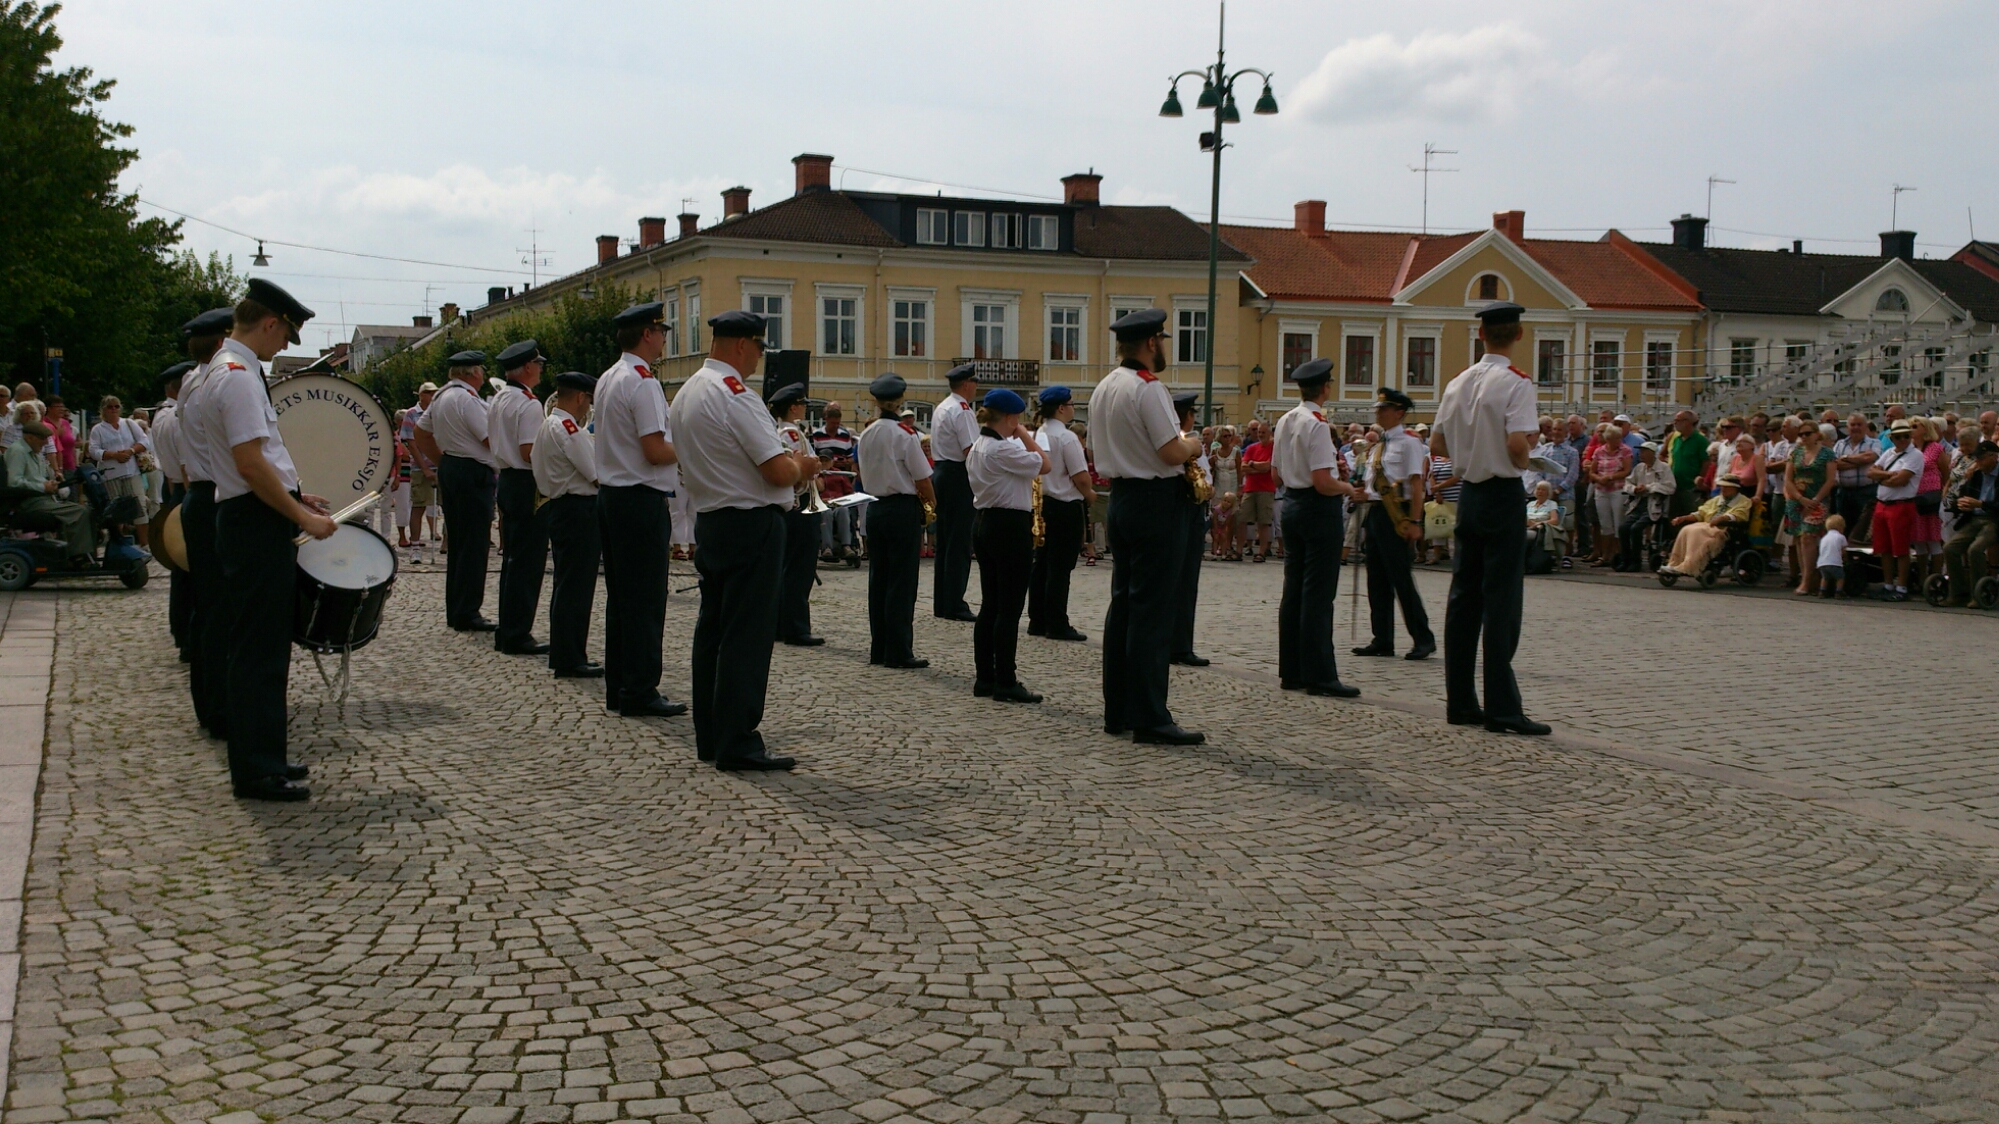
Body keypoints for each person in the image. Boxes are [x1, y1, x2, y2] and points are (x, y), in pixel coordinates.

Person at [178, 278, 335, 802]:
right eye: (286, 336)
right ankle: (256, 769)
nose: (284, 346)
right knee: (259, 651)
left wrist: (296, 493)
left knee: (258, 646)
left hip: (246, 514)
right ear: (270, 323)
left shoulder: (221, 371)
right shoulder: (239, 377)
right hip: (254, 520)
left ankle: (263, 754)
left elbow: (252, 461)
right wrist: (300, 515)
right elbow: (248, 463)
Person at [675, 309, 815, 770]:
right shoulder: (736, 395)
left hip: (713, 519)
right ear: (741, 345)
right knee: (747, 636)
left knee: (713, 632)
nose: (759, 358)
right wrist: (802, 467)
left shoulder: (687, 392)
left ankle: (711, 735)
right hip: (751, 522)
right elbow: (776, 470)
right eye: (758, 348)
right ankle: (738, 740)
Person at [1430, 301, 1546, 736]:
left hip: (1470, 494)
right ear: (1518, 334)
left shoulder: (1457, 382)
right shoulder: (1517, 382)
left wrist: (1471, 449)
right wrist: (1527, 456)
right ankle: (1502, 708)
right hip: (1501, 493)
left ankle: (1460, 702)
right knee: (1502, 601)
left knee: (1464, 599)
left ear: (1481, 334)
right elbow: (1517, 444)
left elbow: (1437, 444)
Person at [1095, 308, 1205, 746]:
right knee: (1153, 612)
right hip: (1155, 501)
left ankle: (1118, 709)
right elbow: (1170, 452)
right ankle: (1151, 716)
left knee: (1124, 606)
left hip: (1122, 497)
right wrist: (1194, 443)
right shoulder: (1148, 387)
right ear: (1152, 343)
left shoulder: (1105, 386)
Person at [593, 302, 688, 718]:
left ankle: (621, 685)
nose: (665, 338)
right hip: (639, 498)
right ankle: (640, 688)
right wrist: (689, 449)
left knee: (622, 599)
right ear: (647, 334)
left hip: (614, 497)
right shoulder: (643, 382)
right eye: (661, 331)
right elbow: (654, 450)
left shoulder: (609, 377)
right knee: (646, 600)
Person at [1272, 358, 1359, 698]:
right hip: (1317, 509)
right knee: (1319, 594)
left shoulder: (1285, 420)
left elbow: (1276, 474)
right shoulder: (1318, 424)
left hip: (1292, 504)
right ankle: (1320, 673)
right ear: (1325, 387)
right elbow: (1323, 483)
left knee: (1294, 590)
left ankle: (1291, 670)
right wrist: (1346, 486)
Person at [173, 307, 234, 738]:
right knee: (220, 612)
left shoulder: (193, 382)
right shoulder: (211, 382)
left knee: (209, 609)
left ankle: (212, 705)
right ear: (222, 341)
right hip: (214, 497)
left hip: (202, 494)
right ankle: (219, 708)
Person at [967, 387, 1049, 702]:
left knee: (990, 604)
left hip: (984, 522)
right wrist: (1025, 434)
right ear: (1012, 418)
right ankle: (1006, 680)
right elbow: (1044, 464)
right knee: (1010, 607)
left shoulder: (979, 445)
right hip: (1009, 526)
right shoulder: (1003, 450)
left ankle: (984, 678)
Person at [413, 352, 499, 631]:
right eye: (481, 370)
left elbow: (420, 433)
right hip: (471, 471)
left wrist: (441, 461)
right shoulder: (467, 399)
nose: (483, 375)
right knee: (474, 543)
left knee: (459, 543)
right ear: (472, 372)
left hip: (451, 466)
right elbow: (489, 438)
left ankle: (457, 608)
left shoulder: (441, 396)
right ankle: (468, 611)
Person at [858, 374, 936, 669]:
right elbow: (922, 477)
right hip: (901, 507)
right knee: (902, 582)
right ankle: (899, 650)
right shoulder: (905, 434)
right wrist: (932, 504)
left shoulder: (867, 433)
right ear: (900, 400)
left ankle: (879, 647)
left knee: (879, 579)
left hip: (875, 507)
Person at [531, 371, 604, 678]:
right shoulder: (569, 429)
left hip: (561, 507)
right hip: (578, 510)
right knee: (577, 587)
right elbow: (595, 472)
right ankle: (571, 657)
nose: (589, 406)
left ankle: (566, 653)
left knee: (567, 584)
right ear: (580, 397)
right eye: (589, 400)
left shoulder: (548, 424)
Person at [1354, 388, 1435, 661]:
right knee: (1376, 580)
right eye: (1378, 409)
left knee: (1401, 579)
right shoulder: (1378, 445)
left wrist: (1415, 521)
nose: (1378, 413)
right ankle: (1382, 638)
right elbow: (1374, 484)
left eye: (1384, 409)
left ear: (1399, 412)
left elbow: (1416, 483)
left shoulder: (1410, 442)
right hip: (1376, 512)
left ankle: (1423, 638)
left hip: (1398, 514)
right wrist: (1362, 493)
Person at [488, 340, 551, 656]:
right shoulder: (529, 404)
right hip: (526, 482)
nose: (540, 370)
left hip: (507, 480)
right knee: (527, 562)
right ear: (527, 367)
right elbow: (529, 451)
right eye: (538, 365)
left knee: (512, 560)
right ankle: (517, 633)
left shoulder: (500, 398)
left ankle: (507, 628)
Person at [1027, 385, 1093, 642]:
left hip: (1042, 504)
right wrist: (1090, 494)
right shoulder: (1067, 437)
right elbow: (1080, 476)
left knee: (1041, 564)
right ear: (1062, 408)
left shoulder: (1038, 433)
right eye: (1071, 404)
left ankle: (1037, 619)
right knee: (1060, 567)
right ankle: (1057, 622)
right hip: (1065, 505)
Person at [769, 382, 824, 646]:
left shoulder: (781, 431)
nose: (804, 408)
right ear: (793, 408)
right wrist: (815, 470)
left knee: (788, 567)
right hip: (800, 504)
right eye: (802, 404)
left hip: (794, 504)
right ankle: (796, 626)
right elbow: (805, 467)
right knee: (799, 569)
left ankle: (782, 624)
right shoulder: (792, 433)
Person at [4, 420, 95, 566]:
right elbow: (14, 482)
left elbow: (37, 478)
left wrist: (52, 482)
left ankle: (71, 552)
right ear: (30, 437)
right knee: (80, 511)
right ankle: (77, 556)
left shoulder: (34, 452)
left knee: (86, 510)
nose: (45, 442)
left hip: (41, 498)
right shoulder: (18, 451)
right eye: (42, 438)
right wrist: (43, 487)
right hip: (29, 501)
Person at [929, 362, 980, 621]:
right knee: (959, 543)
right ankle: (954, 603)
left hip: (942, 472)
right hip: (958, 475)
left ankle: (943, 601)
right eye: (974, 382)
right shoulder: (962, 410)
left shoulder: (942, 407)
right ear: (967, 384)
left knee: (946, 541)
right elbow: (971, 450)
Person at [150, 363, 193, 656]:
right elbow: (185, 467)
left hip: (174, 490)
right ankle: (188, 637)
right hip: (186, 491)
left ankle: (180, 630)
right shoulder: (178, 417)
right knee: (191, 571)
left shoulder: (161, 416)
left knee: (181, 571)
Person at [1169, 391, 1212, 668]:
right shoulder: (1185, 444)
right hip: (1187, 512)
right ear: (1187, 416)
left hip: (1186, 511)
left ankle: (1177, 643)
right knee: (1185, 583)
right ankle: (1180, 645)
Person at [1866, 419, 1923, 601]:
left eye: (1906, 436)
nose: (1903, 439)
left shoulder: (1915, 455)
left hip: (1901, 505)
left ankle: (1902, 587)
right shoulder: (1889, 453)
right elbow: (1871, 472)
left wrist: (1881, 477)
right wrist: (1889, 475)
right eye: (1899, 437)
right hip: (1883, 504)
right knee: (1884, 548)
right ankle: (1888, 584)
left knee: (1901, 549)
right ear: (1892, 438)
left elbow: (1901, 480)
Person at [1943, 440, 1999, 606]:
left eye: (1981, 458)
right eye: (1976, 459)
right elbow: (1962, 495)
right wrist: (1960, 504)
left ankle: (1978, 593)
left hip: (1994, 521)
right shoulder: (1975, 475)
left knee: (1975, 549)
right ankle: (1958, 592)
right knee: (1950, 548)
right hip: (1974, 519)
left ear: (1994, 457)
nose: (1977, 462)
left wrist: (1981, 504)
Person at [1660, 474, 1752, 576]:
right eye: (1722, 486)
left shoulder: (1744, 501)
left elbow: (1739, 515)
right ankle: (1674, 562)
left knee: (1696, 532)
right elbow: (1701, 513)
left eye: (1726, 487)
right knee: (1686, 529)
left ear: (1735, 488)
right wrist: (1684, 518)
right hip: (1707, 525)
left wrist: (1722, 518)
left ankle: (1689, 565)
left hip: (1724, 529)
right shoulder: (1716, 500)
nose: (1723, 489)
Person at [1783, 420, 1836, 595]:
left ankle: (1808, 579)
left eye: (1808, 433)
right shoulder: (1795, 453)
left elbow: (1830, 480)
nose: (1804, 437)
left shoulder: (1827, 454)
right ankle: (1806, 577)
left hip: (1817, 500)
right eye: (1801, 434)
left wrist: (1815, 499)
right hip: (1797, 499)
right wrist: (1799, 498)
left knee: (1808, 536)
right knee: (1799, 538)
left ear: (1817, 434)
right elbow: (1788, 479)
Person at [809, 403, 859, 565]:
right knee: (826, 513)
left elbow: (849, 491)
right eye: (833, 422)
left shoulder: (844, 436)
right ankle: (827, 547)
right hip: (823, 500)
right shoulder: (817, 435)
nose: (836, 425)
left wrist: (842, 464)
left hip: (839, 496)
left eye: (838, 422)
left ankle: (847, 545)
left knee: (843, 511)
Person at [1618, 441, 1676, 571]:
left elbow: (1670, 487)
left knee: (1636, 529)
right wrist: (1634, 489)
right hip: (1638, 503)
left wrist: (1649, 488)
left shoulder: (1664, 468)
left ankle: (1636, 561)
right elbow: (1628, 483)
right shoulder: (1639, 468)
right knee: (1623, 528)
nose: (1641, 454)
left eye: (1644, 451)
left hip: (1654, 505)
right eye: (1641, 451)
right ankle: (1625, 559)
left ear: (1652, 453)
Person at [1583, 422, 1631, 566]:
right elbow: (1592, 471)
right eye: (1616, 438)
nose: (1619, 441)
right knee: (1605, 523)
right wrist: (1599, 479)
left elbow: (1627, 470)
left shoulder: (1625, 450)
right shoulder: (1599, 451)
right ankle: (1605, 555)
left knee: (1618, 521)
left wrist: (1611, 477)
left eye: (1619, 438)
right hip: (1601, 489)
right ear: (1609, 439)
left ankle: (1619, 554)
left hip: (1617, 489)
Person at [1832, 413, 1878, 544]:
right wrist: (1859, 461)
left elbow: (1869, 458)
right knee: (1844, 526)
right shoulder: (1840, 444)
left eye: (1859, 424)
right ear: (1847, 427)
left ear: (1865, 426)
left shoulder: (1874, 443)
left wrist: (1845, 458)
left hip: (1866, 492)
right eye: (1853, 424)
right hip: (1844, 492)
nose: (1856, 427)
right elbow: (1834, 464)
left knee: (1863, 528)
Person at [405, 382, 440, 553]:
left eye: (435, 393)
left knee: (449, 505)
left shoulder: (439, 411)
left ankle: (447, 545)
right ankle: (415, 547)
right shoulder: (411, 414)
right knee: (419, 506)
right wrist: (425, 468)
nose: (433, 396)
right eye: (429, 393)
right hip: (421, 467)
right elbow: (412, 444)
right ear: (421, 395)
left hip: (440, 464)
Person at [1238, 419, 1277, 561]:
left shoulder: (1274, 448)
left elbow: (1268, 467)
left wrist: (1252, 464)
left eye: (1263, 432)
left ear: (1270, 433)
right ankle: (1239, 551)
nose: (1260, 434)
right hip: (1250, 488)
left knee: (1263, 522)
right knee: (1241, 519)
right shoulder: (1251, 448)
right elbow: (1243, 467)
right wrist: (1258, 468)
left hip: (1266, 489)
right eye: (1259, 432)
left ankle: (1261, 552)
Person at [1663, 410, 1710, 521]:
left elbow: (1706, 462)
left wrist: (1699, 480)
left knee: (1690, 517)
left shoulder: (1701, 440)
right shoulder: (1676, 439)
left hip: (1691, 488)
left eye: (1678, 420)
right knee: (1673, 518)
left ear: (1688, 422)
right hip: (1674, 486)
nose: (1675, 423)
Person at [1817, 514, 1851, 598]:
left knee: (1825, 578)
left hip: (1822, 563)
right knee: (1840, 577)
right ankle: (1839, 592)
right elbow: (1843, 551)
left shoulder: (1824, 538)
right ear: (1841, 527)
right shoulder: (1841, 537)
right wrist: (1845, 558)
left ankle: (1822, 591)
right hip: (1835, 563)